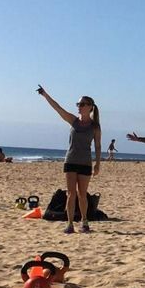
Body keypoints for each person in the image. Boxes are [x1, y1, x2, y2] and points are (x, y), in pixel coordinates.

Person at [36, 86, 101, 233]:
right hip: (70, 161)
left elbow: (98, 145)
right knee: (70, 194)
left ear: (90, 107)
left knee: (82, 194)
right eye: (78, 104)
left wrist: (98, 163)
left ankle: (84, 222)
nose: (79, 107)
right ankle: (70, 224)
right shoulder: (73, 121)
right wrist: (45, 95)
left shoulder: (95, 126)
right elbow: (58, 108)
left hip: (85, 163)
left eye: (82, 104)